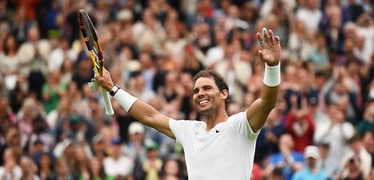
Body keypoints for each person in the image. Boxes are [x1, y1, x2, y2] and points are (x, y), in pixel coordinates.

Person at [95, 27, 281, 179]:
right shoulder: (190, 131)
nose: (200, 94)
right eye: (196, 91)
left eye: (207, 88)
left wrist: (272, 67)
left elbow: (267, 102)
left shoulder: (240, 126)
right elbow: (150, 116)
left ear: (224, 93)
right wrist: (113, 89)